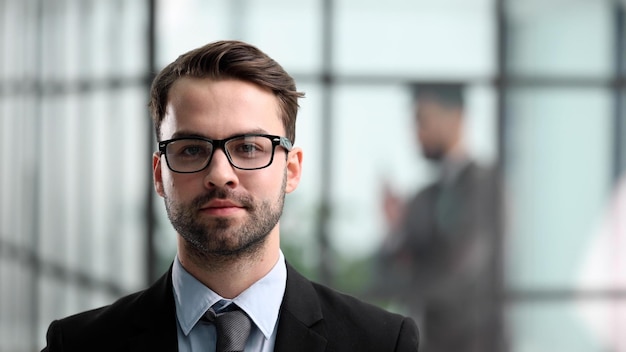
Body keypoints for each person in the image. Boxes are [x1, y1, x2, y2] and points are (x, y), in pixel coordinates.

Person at [41, 40, 419, 352]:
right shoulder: (76, 345)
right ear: (159, 174)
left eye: (250, 148)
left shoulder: (383, 343)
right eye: (191, 149)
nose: (220, 175)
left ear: (291, 170)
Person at [371, 83, 504, 352]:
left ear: (456, 117)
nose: (416, 133)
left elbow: (460, 271)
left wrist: (411, 270)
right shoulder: (422, 197)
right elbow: (385, 277)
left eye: (423, 119)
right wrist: (394, 230)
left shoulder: (487, 185)